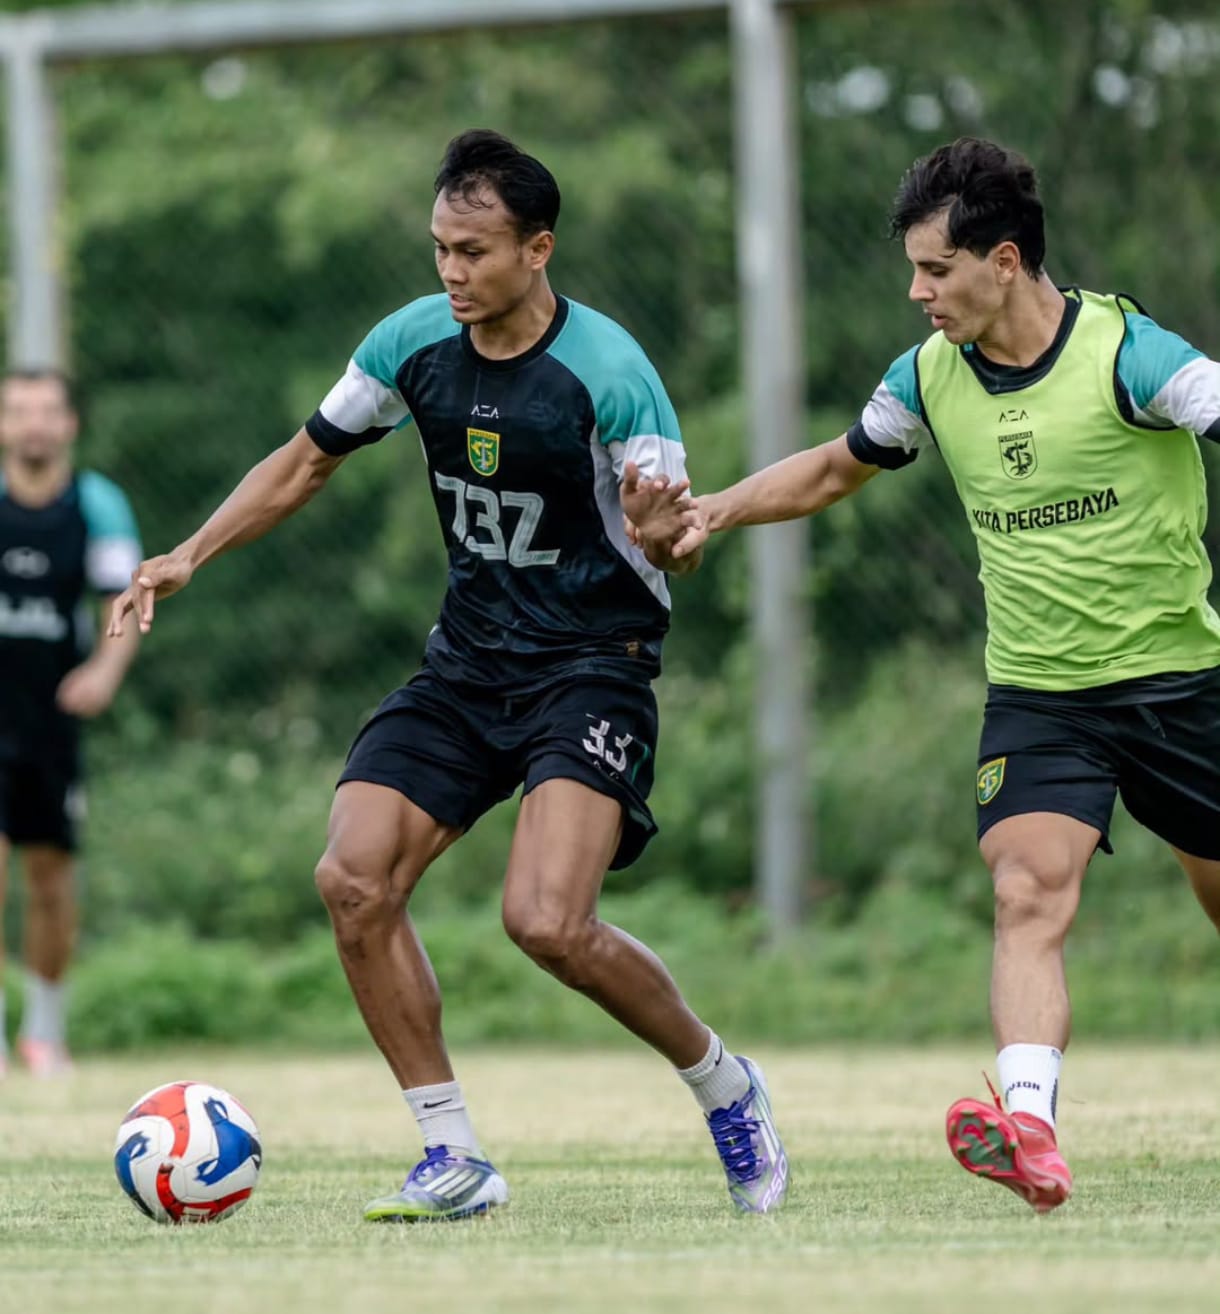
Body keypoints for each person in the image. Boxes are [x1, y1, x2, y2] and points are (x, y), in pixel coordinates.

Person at [108, 129, 788, 1222]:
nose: (452, 273)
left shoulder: (610, 374)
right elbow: (306, 460)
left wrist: (670, 534)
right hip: (467, 664)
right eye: (440, 249)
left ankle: (723, 1084)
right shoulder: (410, 342)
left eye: (474, 252)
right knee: (353, 879)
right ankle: (452, 1155)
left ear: (537, 248)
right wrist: (191, 552)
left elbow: (678, 547)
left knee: (547, 925)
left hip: (591, 666)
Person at [644, 136, 1220, 1214]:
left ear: (1003, 261)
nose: (917, 292)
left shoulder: (1127, 355)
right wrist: (714, 509)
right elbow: (834, 467)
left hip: (1180, 686)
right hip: (1040, 695)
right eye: (913, 270)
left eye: (934, 269)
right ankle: (1030, 1130)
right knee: (1025, 893)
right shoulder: (927, 376)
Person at [0, 368, 142, 1078]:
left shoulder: (96, 504)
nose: (33, 423)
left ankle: (44, 1034)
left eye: (46, 411)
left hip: (53, 717)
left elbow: (124, 600)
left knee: (51, 878)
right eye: (18, 410)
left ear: (68, 425)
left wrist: (104, 673)